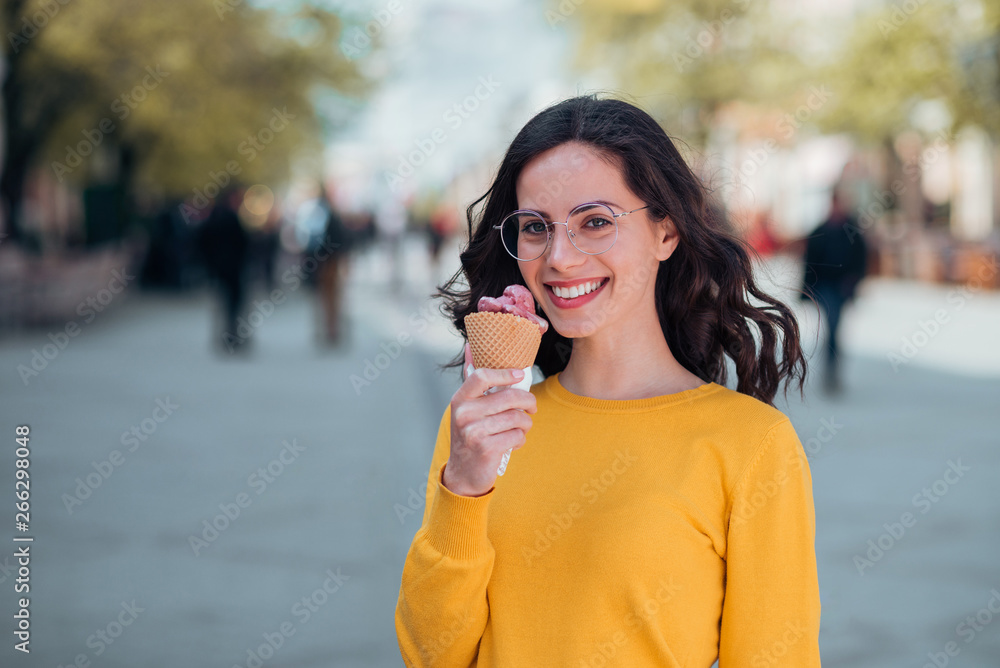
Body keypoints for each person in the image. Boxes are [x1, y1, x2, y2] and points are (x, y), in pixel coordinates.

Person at [395, 96, 821, 666]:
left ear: (664, 233)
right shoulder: (480, 427)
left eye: (594, 222)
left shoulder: (752, 445)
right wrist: (465, 488)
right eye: (535, 227)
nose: (560, 258)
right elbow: (432, 656)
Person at [801, 188, 868, 395]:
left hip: (841, 287)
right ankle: (831, 371)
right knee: (831, 328)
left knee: (834, 328)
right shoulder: (821, 230)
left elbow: (861, 259)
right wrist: (806, 290)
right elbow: (809, 262)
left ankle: (832, 371)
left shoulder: (852, 230)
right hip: (825, 287)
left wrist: (854, 281)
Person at [197, 186, 249, 353]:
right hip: (232, 269)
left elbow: (203, 242)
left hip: (220, 269)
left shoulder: (214, 216)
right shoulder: (230, 218)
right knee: (233, 305)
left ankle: (226, 336)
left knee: (224, 304)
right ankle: (232, 337)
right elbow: (242, 244)